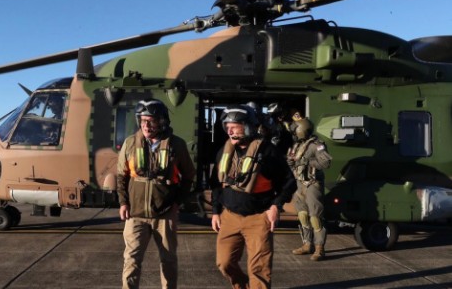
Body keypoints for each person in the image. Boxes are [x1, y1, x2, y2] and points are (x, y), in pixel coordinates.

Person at [210, 104, 297, 289]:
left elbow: (289, 182)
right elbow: (217, 184)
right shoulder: (224, 151)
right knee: (224, 264)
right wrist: (216, 212)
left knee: (259, 270)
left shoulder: (268, 152)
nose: (229, 130)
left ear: (248, 126)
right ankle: (242, 285)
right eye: (227, 126)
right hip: (230, 217)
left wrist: (276, 206)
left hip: (259, 218)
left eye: (234, 126)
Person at [116, 99, 196, 289]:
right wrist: (123, 203)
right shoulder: (130, 144)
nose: (145, 125)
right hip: (135, 214)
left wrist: (177, 203)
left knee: (168, 260)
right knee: (131, 259)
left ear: (162, 122)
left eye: (150, 121)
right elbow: (121, 176)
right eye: (142, 120)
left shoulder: (176, 145)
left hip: (165, 213)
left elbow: (189, 176)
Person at [287, 118, 332, 261]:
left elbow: (326, 162)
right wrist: (291, 162)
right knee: (303, 215)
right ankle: (307, 244)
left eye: (295, 130)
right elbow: (294, 164)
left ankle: (319, 248)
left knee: (315, 218)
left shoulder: (317, 146)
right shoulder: (297, 145)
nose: (294, 132)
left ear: (301, 130)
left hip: (313, 184)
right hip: (300, 184)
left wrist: (307, 161)